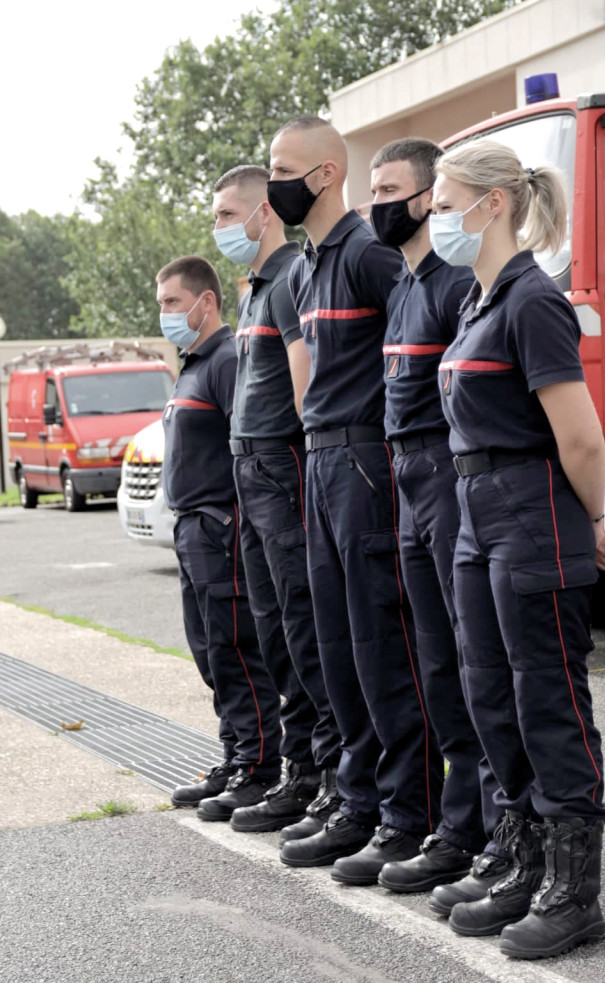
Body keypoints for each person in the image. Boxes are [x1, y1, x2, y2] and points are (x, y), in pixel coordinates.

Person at [430, 139, 605, 958]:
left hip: (530, 510)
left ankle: (574, 893)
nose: (435, 218)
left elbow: (579, 437)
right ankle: (522, 861)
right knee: (489, 693)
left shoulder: (533, 301)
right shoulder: (477, 303)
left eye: (445, 204)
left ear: (494, 204)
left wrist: (594, 519)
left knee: (547, 699)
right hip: (476, 511)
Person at [268, 116, 442, 883]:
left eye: (284, 169)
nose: (275, 183)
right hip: (321, 462)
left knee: (382, 646)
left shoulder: (369, 253)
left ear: (326, 173)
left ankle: (410, 814)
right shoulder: (308, 268)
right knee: (337, 648)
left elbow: (417, 352)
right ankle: (359, 798)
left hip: (368, 463)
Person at [367, 137, 506, 897]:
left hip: (449, 477)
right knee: (436, 665)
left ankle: (496, 831)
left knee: (473, 657)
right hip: (406, 481)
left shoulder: (456, 284)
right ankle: (459, 828)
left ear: (428, 198)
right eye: (374, 190)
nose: (378, 205)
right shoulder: (404, 285)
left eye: (391, 190)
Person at [206, 165, 341, 832]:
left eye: (228, 215)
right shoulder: (255, 288)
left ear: (265, 214)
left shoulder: (290, 278)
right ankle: (300, 769)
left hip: (283, 468)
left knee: (302, 627)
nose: (219, 227)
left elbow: (304, 386)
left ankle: (329, 778)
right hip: (250, 470)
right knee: (272, 630)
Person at [157, 256, 283, 819]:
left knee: (236, 651)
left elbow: (247, 446)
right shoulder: (193, 364)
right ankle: (234, 757)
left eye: (173, 303)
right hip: (191, 528)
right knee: (210, 653)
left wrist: (235, 523)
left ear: (205, 302)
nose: (165, 313)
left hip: (220, 528)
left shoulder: (227, 360)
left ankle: (259, 767)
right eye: (161, 304)